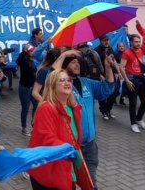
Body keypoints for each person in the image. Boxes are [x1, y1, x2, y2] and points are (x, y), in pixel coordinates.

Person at [62, 50, 115, 189]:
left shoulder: (87, 82)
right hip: (71, 146)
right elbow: (51, 79)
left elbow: (106, 89)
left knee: (91, 184)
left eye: (78, 62)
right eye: (73, 62)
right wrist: (63, 56)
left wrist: (108, 68)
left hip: (90, 144)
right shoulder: (61, 86)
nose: (77, 64)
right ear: (64, 66)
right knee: (68, 183)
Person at [27, 69, 83, 190]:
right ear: (52, 86)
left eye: (69, 80)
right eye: (62, 80)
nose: (67, 83)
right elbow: (47, 137)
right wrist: (68, 150)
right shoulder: (46, 108)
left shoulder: (72, 109)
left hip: (66, 169)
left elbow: (75, 139)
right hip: (48, 173)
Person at [120, 34, 145, 133]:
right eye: (136, 41)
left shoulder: (140, 51)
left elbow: (139, 64)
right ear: (131, 42)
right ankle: (133, 123)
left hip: (141, 78)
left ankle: (139, 119)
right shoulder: (126, 53)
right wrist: (127, 80)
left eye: (139, 41)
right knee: (133, 103)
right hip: (132, 79)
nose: (138, 43)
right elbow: (121, 67)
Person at [95, 35, 120, 120]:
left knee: (114, 92)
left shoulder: (110, 49)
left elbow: (114, 61)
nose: (107, 42)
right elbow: (95, 66)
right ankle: (103, 111)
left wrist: (118, 72)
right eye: (104, 40)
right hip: (101, 76)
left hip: (111, 75)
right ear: (100, 41)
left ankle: (109, 110)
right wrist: (101, 76)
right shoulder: (96, 51)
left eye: (108, 40)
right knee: (102, 95)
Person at [16, 49, 37, 136]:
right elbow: (18, 60)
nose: (33, 53)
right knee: (25, 108)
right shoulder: (23, 61)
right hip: (24, 88)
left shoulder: (33, 61)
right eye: (31, 51)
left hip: (33, 88)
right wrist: (24, 51)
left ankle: (34, 125)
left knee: (36, 105)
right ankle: (24, 128)